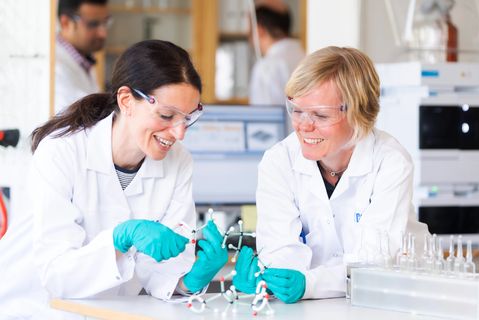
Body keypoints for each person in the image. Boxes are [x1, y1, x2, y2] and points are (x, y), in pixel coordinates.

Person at [0, 40, 227, 319]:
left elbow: (161, 273)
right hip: (35, 308)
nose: (179, 133)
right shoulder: (62, 152)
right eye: (167, 116)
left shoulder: (178, 162)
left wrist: (190, 279)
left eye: (188, 118)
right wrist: (119, 239)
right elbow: (56, 275)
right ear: (126, 100)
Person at [233, 46, 429, 303]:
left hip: (391, 300)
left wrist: (310, 283)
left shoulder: (390, 162)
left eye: (320, 115)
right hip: (315, 306)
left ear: (360, 113)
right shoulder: (279, 161)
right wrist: (271, 278)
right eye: (297, 110)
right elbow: (279, 250)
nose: (304, 126)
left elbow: (374, 261)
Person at [55, 0, 110, 114]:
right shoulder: (54, 67)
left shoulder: (83, 58)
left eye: (105, 22)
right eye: (93, 24)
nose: (103, 33)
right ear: (66, 23)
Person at [248, 2, 305, 105]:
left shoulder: (266, 67)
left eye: (249, 30)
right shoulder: (305, 57)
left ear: (259, 30)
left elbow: (264, 118)